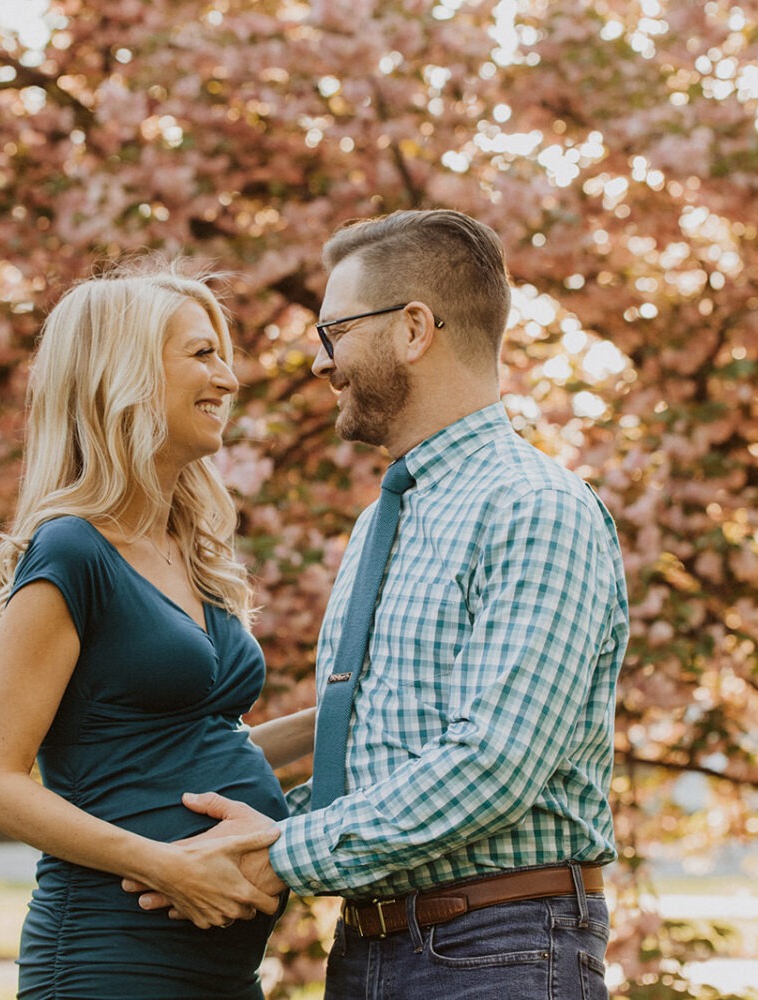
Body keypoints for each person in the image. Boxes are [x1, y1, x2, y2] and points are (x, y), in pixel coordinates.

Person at [130, 210, 630, 999]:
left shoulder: (534, 507)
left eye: (334, 333)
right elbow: (378, 752)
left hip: (497, 952)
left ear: (412, 329)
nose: (324, 364)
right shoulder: (386, 519)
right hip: (371, 947)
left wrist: (273, 853)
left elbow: (491, 764)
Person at [0, 260, 315, 1000]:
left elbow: (179, 748)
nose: (229, 377)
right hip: (110, 960)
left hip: (222, 973)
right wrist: (165, 864)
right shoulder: (72, 550)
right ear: (122, 372)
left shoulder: (187, 550)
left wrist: (338, 720)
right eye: (201, 354)